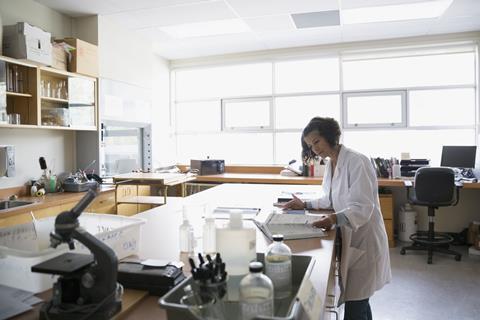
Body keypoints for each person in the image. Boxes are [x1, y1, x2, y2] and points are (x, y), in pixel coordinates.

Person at [283, 117, 391, 320]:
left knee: (356, 304)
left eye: (316, 142)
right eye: (309, 145)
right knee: (358, 299)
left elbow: (362, 208)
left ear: (330, 137)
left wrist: (332, 219)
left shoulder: (357, 161)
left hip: (364, 240)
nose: (314, 149)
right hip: (351, 238)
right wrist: (304, 204)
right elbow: (328, 197)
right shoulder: (332, 163)